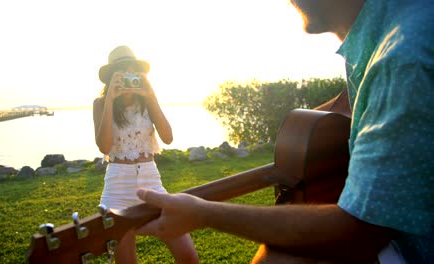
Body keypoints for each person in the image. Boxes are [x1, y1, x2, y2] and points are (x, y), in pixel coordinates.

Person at [134, 0, 434, 263]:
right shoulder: (399, 27)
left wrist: (203, 213)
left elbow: (358, 232)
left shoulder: (401, 56)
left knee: (283, 259)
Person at [93, 45, 199, 264]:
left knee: (188, 257)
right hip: (117, 189)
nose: (129, 79)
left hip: (152, 182)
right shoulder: (101, 104)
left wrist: (150, 96)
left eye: (133, 72)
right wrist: (111, 99)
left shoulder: (146, 100)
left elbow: (168, 137)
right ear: (111, 78)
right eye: (122, 74)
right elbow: (104, 147)